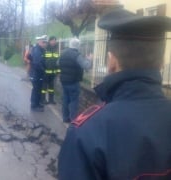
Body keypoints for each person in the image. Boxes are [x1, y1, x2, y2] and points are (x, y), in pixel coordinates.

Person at [58, 8, 171, 180]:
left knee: (68, 102)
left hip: (66, 83)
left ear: (112, 61)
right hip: (72, 82)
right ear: (162, 63)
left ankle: (65, 115)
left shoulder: (86, 133)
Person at [58, 38, 92, 123]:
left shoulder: (63, 53)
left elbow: (57, 63)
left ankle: (65, 118)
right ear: (77, 46)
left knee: (66, 99)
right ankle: (73, 121)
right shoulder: (76, 55)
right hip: (73, 82)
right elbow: (86, 66)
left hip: (64, 81)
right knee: (74, 101)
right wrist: (89, 59)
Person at [30, 35, 48, 112]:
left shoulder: (40, 49)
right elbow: (37, 63)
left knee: (38, 89)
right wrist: (43, 70)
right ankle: (34, 105)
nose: (45, 44)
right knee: (36, 90)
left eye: (45, 43)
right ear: (40, 42)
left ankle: (37, 103)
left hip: (37, 74)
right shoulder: (37, 50)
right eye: (44, 42)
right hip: (36, 74)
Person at [41, 36, 60, 105]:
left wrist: (58, 71)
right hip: (45, 73)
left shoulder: (56, 51)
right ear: (49, 41)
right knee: (44, 88)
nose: (54, 42)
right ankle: (43, 99)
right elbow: (42, 61)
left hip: (53, 73)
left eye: (55, 41)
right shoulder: (45, 50)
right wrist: (42, 70)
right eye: (53, 40)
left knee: (51, 88)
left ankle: (51, 100)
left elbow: (57, 63)